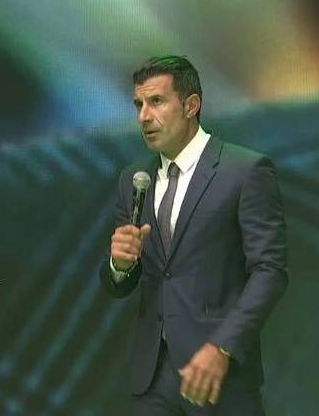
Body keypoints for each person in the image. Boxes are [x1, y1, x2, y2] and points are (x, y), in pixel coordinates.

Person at [99, 56, 287, 416]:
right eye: (138, 105)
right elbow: (120, 284)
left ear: (191, 105)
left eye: (156, 101)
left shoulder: (244, 171)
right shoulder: (134, 180)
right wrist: (119, 266)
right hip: (152, 380)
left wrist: (223, 347)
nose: (143, 116)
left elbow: (270, 271)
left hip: (221, 376)